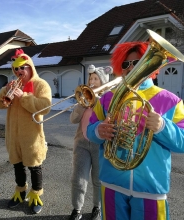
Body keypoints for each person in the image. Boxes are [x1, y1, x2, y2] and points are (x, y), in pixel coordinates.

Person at [86, 41, 184, 219]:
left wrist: (162, 127)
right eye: (126, 64)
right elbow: (89, 131)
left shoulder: (171, 101)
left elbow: (182, 142)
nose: (131, 67)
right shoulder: (107, 98)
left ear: (152, 67)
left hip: (151, 188)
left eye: (137, 62)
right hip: (112, 184)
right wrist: (98, 131)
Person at [0, 48, 52, 214]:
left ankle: (36, 194)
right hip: (13, 134)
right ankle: (20, 191)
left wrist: (24, 97)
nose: (20, 71)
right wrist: (5, 93)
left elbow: (45, 107)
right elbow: (0, 104)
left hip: (32, 135)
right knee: (17, 165)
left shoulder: (41, 84)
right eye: (17, 69)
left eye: (23, 68)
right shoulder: (12, 84)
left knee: (34, 166)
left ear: (30, 67)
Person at [69, 65, 113, 220]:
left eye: (96, 78)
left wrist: (98, 103)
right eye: (90, 78)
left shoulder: (108, 99)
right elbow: (73, 119)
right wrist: (81, 105)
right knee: (78, 179)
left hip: (100, 145)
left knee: (98, 179)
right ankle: (77, 209)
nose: (92, 81)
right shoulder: (84, 97)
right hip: (81, 144)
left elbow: (110, 120)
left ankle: (97, 207)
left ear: (103, 81)